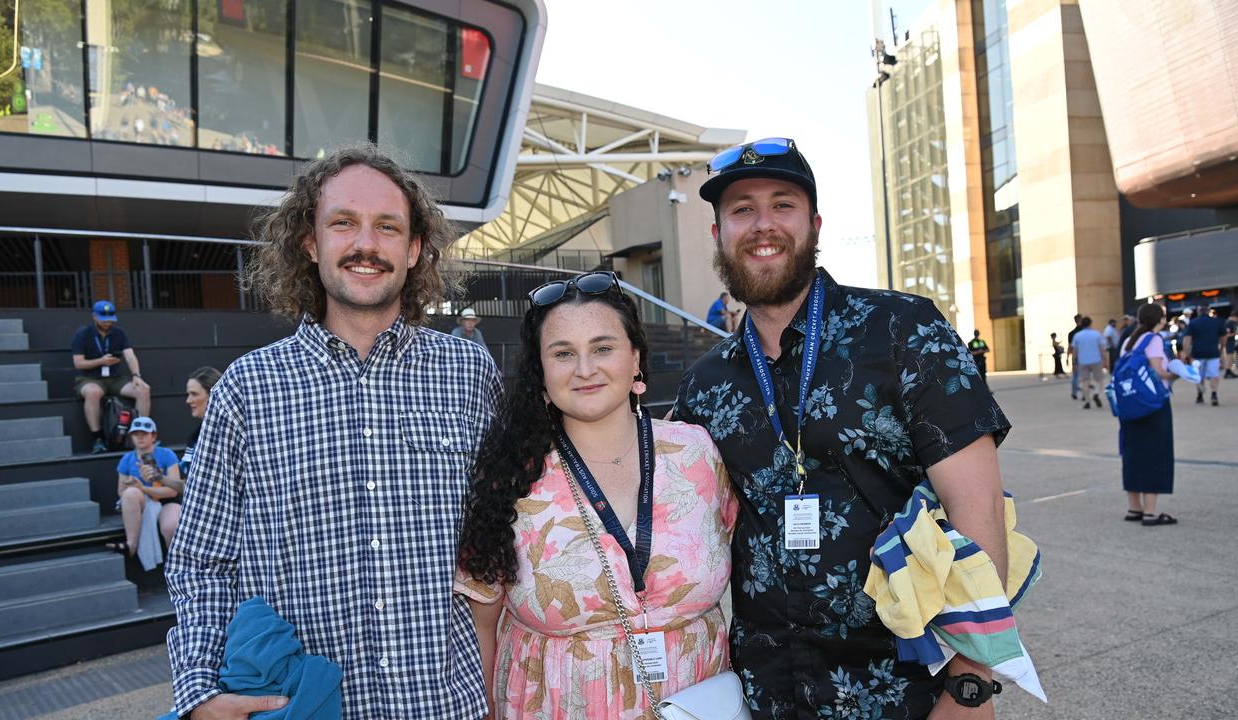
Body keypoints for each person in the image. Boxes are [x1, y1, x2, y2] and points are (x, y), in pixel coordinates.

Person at [673, 137, 1012, 718]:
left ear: (815, 224)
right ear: (718, 235)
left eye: (782, 205)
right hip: (768, 692)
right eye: (741, 209)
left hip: (909, 687)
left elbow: (976, 512)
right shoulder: (705, 386)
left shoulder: (904, 332)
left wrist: (970, 683)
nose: (762, 225)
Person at [165, 143, 503, 720]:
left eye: (387, 227)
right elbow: (201, 560)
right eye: (343, 223)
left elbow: (510, 540)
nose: (366, 245)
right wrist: (200, 691)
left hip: (450, 706)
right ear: (310, 241)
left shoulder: (469, 374)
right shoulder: (247, 390)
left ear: (416, 248)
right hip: (303, 707)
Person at [457, 272, 738, 718]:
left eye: (603, 348)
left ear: (636, 359)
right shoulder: (509, 475)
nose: (585, 369)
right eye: (563, 353)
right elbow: (481, 623)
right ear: (542, 375)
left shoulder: (697, 452)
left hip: (697, 703)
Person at [1119, 303, 1178, 526]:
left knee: (1133, 452)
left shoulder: (1129, 340)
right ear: (1160, 320)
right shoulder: (1154, 340)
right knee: (1154, 452)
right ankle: (1151, 512)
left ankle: (1135, 507)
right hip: (1152, 405)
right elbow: (1159, 371)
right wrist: (1178, 373)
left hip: (1130, 404)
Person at [71, 300, 152, 453]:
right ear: (94, 316)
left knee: (143, 389)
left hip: (115, 378)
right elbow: (78, 363)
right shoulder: (83, 334)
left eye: (110, 319)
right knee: (93, 392)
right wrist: (101, 361)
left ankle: (140, 434)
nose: (108, 322)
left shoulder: (119, 333)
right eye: (103, 318)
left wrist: (136, 375)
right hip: (90, 378)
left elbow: (130, 356)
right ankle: (98, 438)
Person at [108, 417, 182, 569]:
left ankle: (178, 566)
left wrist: (143, 488)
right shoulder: (127, 459)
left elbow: (173, 491)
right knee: (130, 493)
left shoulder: (167, 454)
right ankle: (131, 545)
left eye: (144, 433)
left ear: (153, 436)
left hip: (166, 501)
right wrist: (135, 488)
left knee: (171, 525)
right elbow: (121, 491)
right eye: (136, 434)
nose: (140, 437)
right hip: (141, 502)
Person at [180, 366, 221, 479]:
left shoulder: (227, 434)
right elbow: (189, 486)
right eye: (188, 394)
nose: (188, 400)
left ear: (213, 395)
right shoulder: (195, 436)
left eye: (194, 394)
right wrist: (159, 477)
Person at [1182, 306, 1225, 405]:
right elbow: (1224, 337)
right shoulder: (1217, 321)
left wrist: (1187, 353)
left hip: (1198, 353)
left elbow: (1187, 340)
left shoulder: (1193, 323)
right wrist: (1221, 348)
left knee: (1198, 375)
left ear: (1198, 311)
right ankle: (1214, 394)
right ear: (1209, 311)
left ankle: (1200, 395)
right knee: (1214, 374)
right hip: (1213, 352)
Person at [1071, 317, 1107, 409]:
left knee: (1085, 382)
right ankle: (1096, 393)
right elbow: (1102, 349)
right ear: (1091, 323)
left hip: (1083, 361)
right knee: (1100, 380)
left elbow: (1075, 350)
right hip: (1096, 359)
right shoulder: (1096, 334)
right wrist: (1105, 360)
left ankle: (1087, 401)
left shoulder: (1078, 336)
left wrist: (1074, 362)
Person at [1066, 313, 1083, 399]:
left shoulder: (1071, 333)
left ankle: (1074, 392)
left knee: (1075, 375)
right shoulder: (1084, 332)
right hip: (1084, 356)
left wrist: (1068, 357)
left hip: (1075, 356)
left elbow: (1070, 347)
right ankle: (1084, 393)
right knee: (1084, 375)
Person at [1224, 309, 1238, 379]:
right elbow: (1226, 334)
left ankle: (1229, 371)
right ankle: (1227, 371)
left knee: (1230, 357)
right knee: (1229, 357)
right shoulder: (1229, 323)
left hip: (1230, 342)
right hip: (1229, 342)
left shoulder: (1230, 322)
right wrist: (1235, 334)